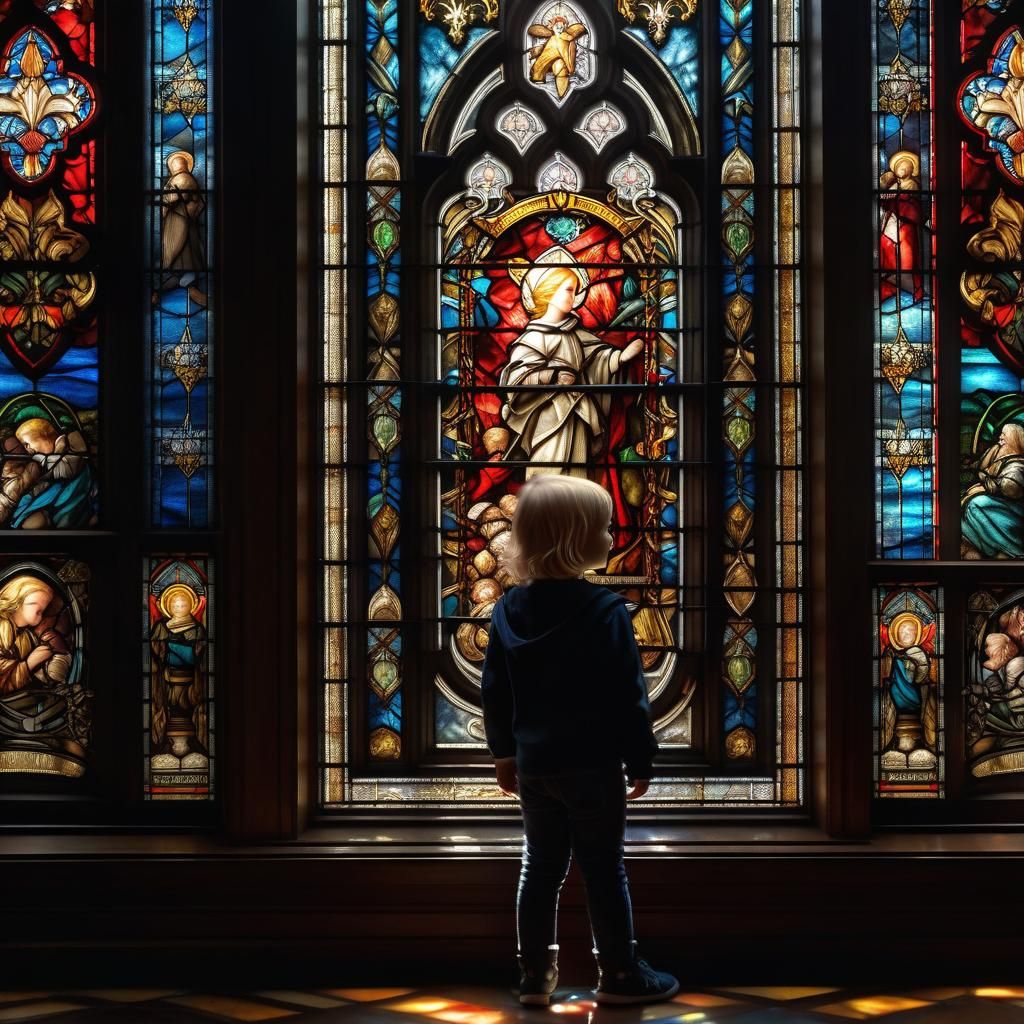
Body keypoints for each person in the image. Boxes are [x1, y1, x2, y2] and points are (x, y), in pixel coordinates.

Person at [480, 473, 678, 1006]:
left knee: (539, 867)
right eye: (605, 528)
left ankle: (533, 978)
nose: (614, 538)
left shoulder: (505, 611)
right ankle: (618, 974)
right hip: (592, 765)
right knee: (603, 868)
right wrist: (641, 758)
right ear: (575, 539)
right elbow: (626, 696)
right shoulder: (606, 612)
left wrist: (503, 754)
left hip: (535, 766)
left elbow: (495, 692)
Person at [499, 246, 644, 480]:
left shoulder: (575, 334)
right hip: (548, 421)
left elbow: (597, 361)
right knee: (547, 475)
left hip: (578, 416)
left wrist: (620, 358)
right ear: (548, 292)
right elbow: (515, 381)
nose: (575, 296)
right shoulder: (534, 337)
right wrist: (552, 377)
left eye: (575, 289)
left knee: (577, 478)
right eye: (568, 289)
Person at [962, 422, 1024, 558]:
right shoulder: (1001, 457)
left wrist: (985, 480)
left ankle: (1013, 549)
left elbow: (1011, 489)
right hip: (1001, 506)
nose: (1000, 437)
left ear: (1013, 439)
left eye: (1004, 434)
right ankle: (989, 548)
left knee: (978, 503)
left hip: (1014, 510)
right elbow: (982, 466)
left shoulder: (1017, 464)